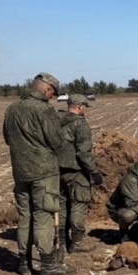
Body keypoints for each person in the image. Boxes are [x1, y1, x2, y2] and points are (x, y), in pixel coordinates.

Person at [2, 72, 76, 275]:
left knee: (25, 217)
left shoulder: (12, 109)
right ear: (46, 88)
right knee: (43, 216)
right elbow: (57, 142)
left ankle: (24, 264)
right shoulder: (44, 110)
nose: (52, 97)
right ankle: (48, 265)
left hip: (20, 173)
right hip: (43, 173)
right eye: (52, 93)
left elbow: (7, 139)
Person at [57, 94, 103, 253]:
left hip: (57, 171)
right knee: (78, 204)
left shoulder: (56, 120)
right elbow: (83, 153)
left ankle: (61, 242)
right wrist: (94, 172)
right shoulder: (80, 125)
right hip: (76, 171)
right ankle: (77, 243)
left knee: (61, 205)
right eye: (85, 107)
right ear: (80, 107)